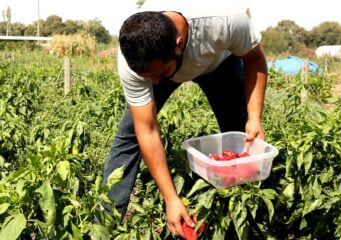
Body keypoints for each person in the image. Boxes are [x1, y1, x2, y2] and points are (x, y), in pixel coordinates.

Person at [101, 1, 268, 238]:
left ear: (179, 44)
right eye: (148, 77)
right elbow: (147, 130)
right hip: (164, 62)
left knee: (242, 136)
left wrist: (254, 117)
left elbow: (254, 59)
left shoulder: (226, 20)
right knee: (129, 138)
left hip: (219, 63)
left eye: (159, 74)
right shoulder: (134, 59)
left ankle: (243, 222)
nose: (155, 82)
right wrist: (171, 198)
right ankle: (103, 225)